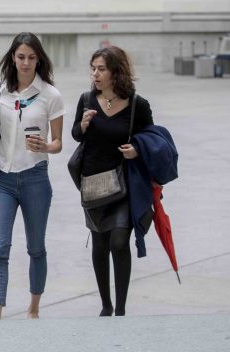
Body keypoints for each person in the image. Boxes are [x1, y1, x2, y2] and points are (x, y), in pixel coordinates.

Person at [0, 32, 64, 320]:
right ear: (13, 57)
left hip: (35, 177)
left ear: (39, 60)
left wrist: (46, 145)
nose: (25, 63)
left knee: (36, 247)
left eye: (31, 58)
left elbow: (58, 143)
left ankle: (34, 308)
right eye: (21, 56)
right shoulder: (0, 90)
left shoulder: (50, 94)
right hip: (3, 179)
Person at [71, 46, 153, 317]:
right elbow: (76, 135)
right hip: (93, 183)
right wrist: (82, 125)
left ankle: (120, 309)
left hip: (123, 185)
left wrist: (137, 149)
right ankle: (105, 305)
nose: (95, 74)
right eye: (93, 68)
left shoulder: (136, 105)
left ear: (116, 72)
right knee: (99, 245)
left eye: (101, 69)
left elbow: (151, 139)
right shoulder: (86, 100)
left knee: (119, 242)